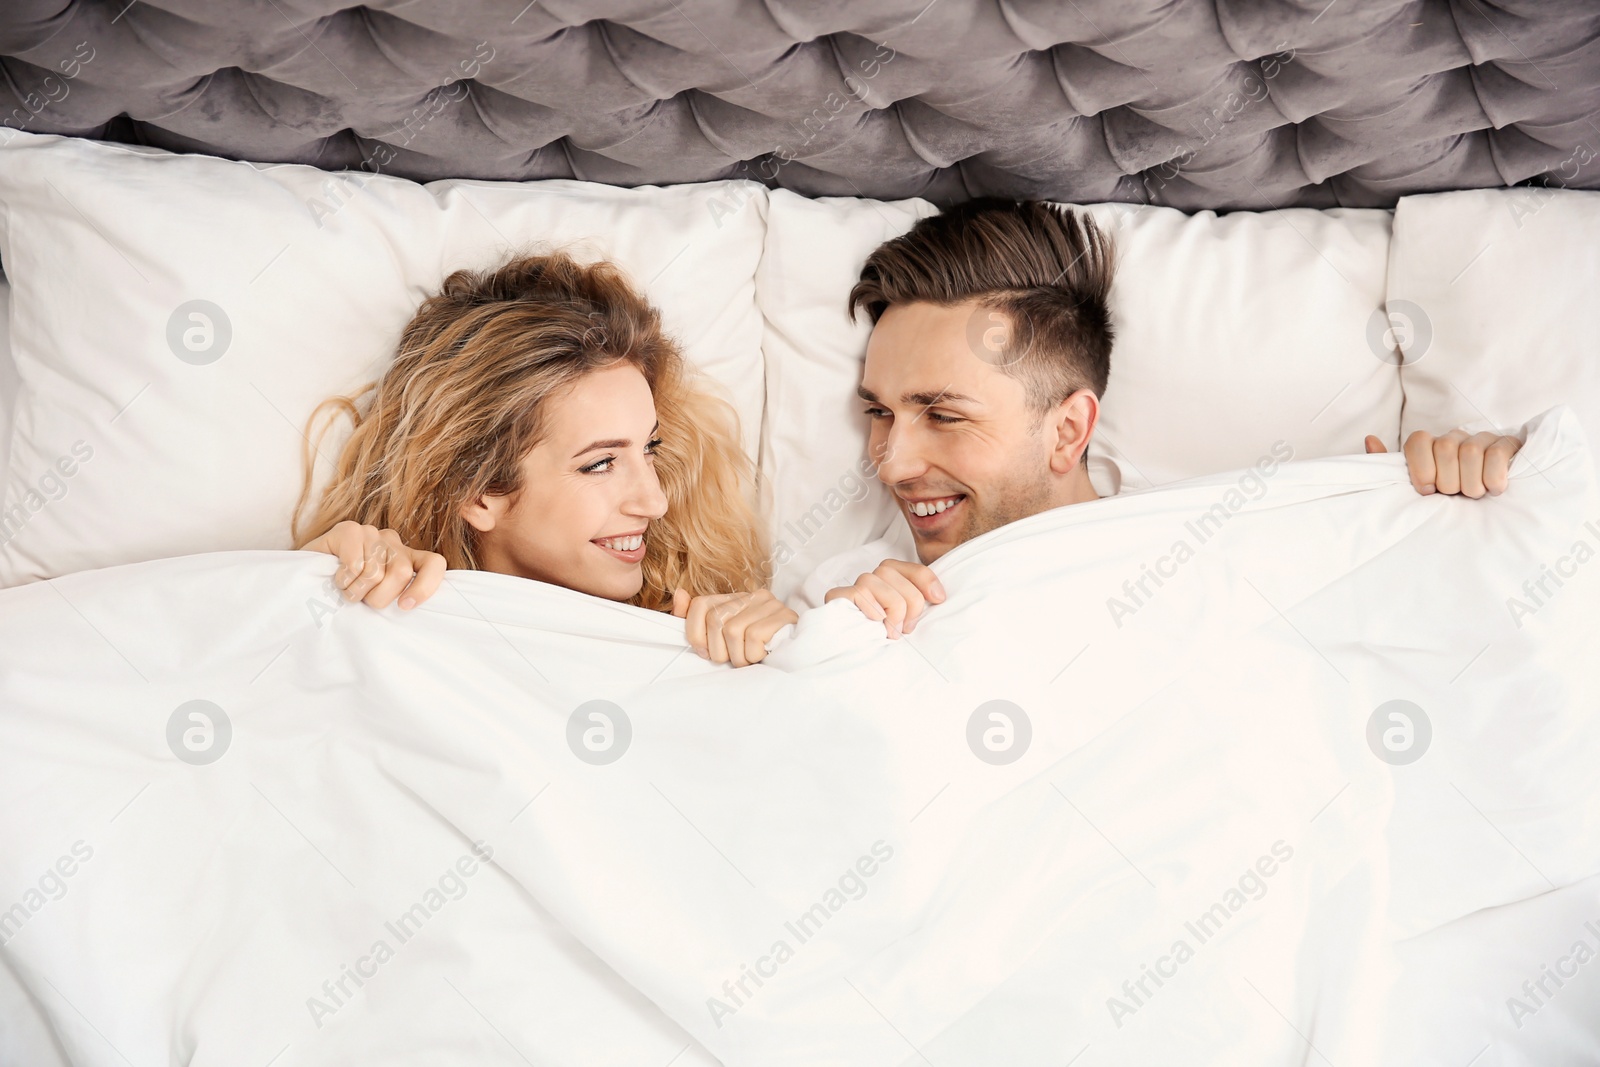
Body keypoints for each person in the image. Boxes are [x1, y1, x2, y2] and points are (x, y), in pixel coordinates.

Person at [799, 198, 1527, 637]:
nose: (890, 461)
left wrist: (1464, 511)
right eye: (880, 412)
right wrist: (839, 644)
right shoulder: (851, 585)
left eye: (943, 415)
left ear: (1068, 430)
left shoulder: (1211, 545)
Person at [295, 249, 797, 667]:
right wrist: (306, 586)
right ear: (479, 489)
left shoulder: (694, 641)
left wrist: (795, 648)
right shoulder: (388, 619)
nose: (656, 501)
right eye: (600, 463)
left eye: (650, 449)